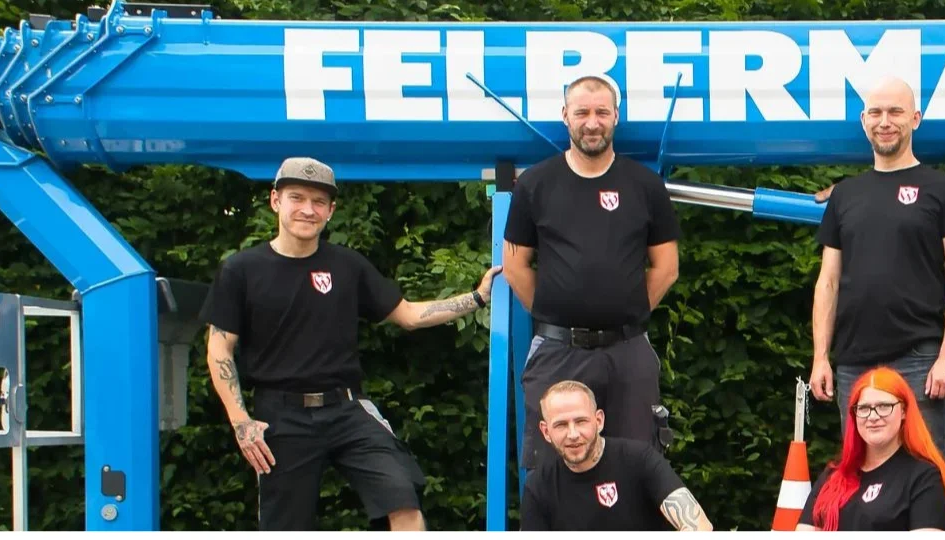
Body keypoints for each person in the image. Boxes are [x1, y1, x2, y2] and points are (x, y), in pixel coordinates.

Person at [200, 157, 502, 531]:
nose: (308, 210)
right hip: (280, 416)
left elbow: (408, 315)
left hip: (347, 409)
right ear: (275, 200)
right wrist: (241, 422)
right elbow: (219, 348)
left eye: (319, 202)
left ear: (331, 210)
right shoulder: (241, 270)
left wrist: (477, 297)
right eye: (297, 198)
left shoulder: (347, 265)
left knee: (403, 502)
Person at [503, 74, 682, 467]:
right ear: (565, 115)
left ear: (616, 116)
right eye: (582, 112)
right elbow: (515, 267)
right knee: (553, 470)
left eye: (602, 112)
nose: (592, 122)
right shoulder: (535, 184)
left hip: (628, 353)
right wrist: (559, 315)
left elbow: (666, 268)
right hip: (557, 353)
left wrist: (625, 312)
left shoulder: (645, 185)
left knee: (636, 467)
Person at [809, 76, 945, 454]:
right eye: (876, 113)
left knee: (925, 469)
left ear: (915, 119)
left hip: (920, 360)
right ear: (864, 120)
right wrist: (820, 358)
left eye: (896, 112)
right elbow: (827, 283)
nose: (885, 121)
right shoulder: (845, 195)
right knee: (859, 468)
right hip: (853, 362)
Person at [520, 380, 713, 531]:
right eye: (561, 425)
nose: (573, 434)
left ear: (599, 421)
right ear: (546, 431)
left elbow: (700, 527)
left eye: (581, 421)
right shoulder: (539, 485)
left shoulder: (639, 460)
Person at [796, 366, 945, 532]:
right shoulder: (834, 475)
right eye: (864, 408)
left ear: (904, 411)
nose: (873, 416)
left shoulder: (924, 477)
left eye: (884, 406)